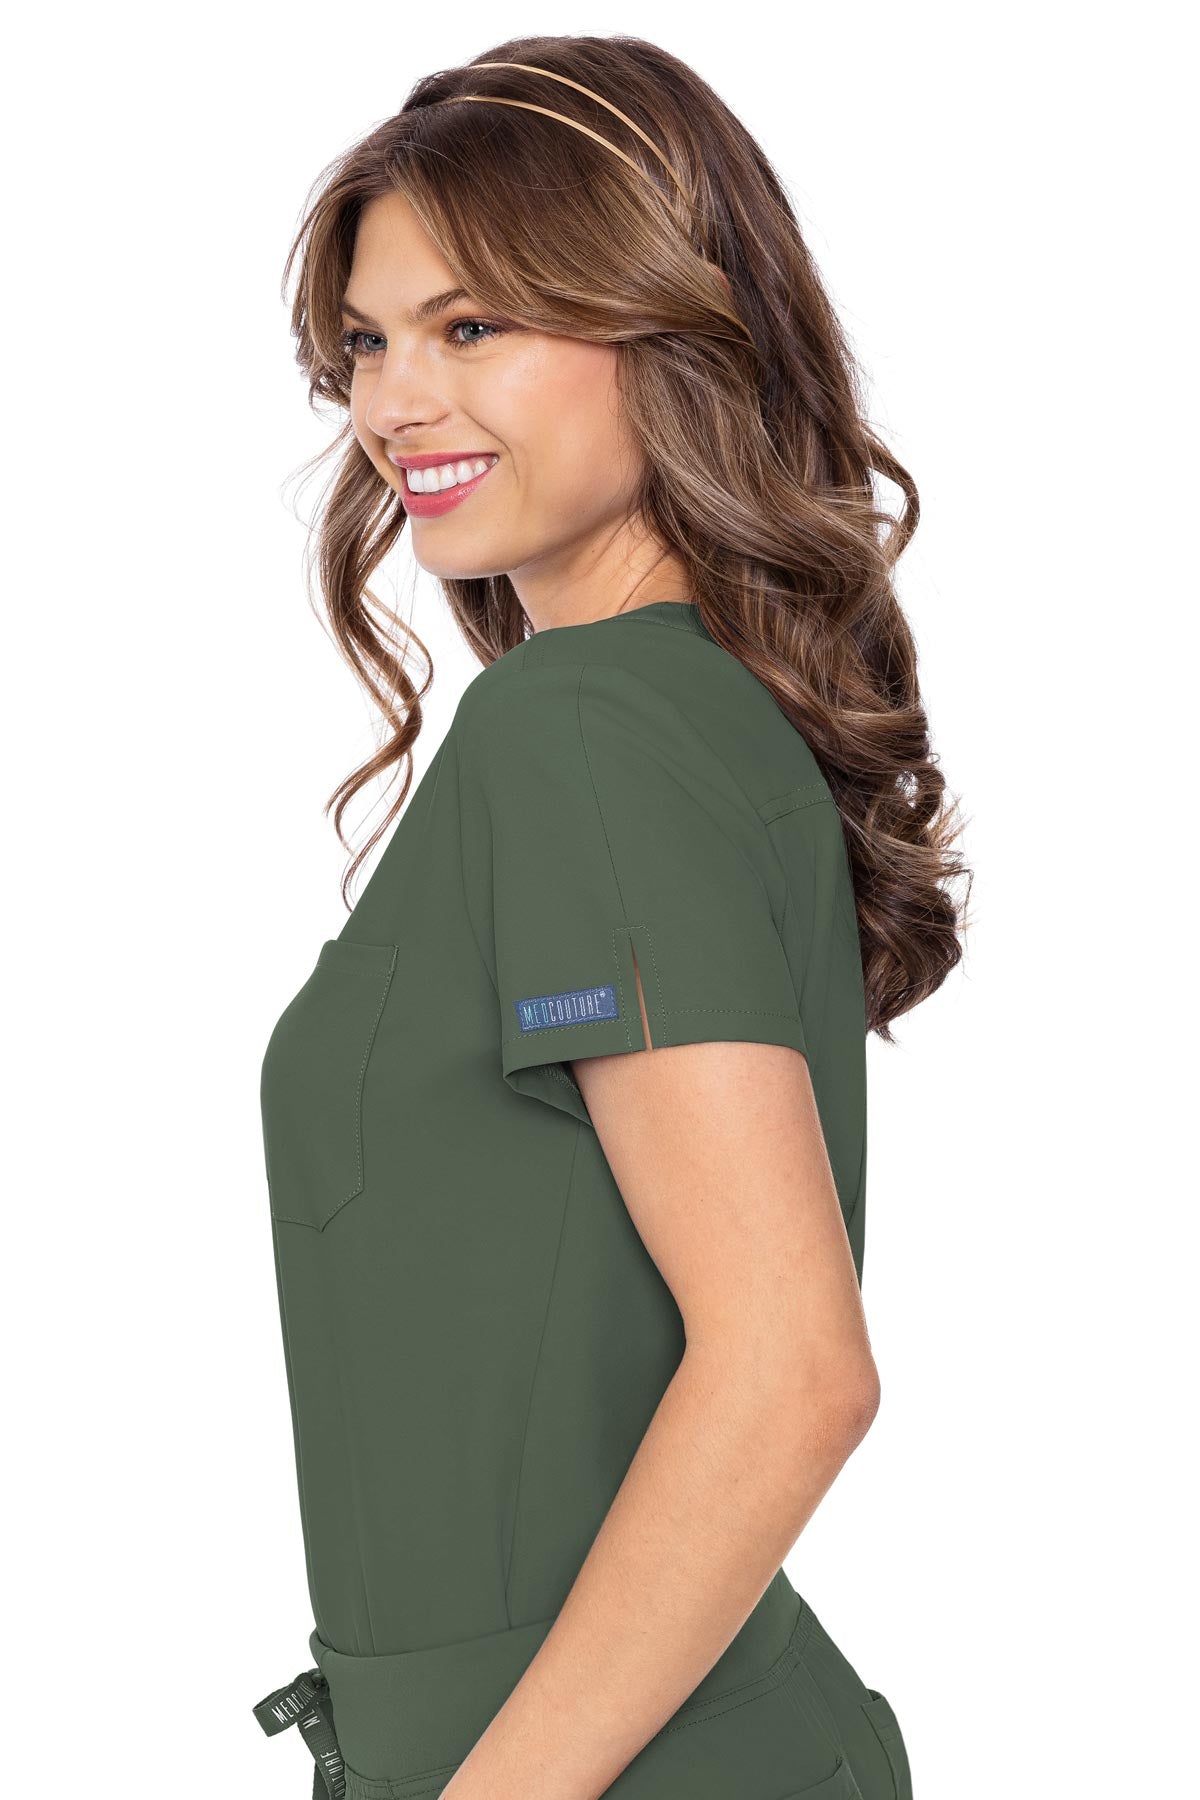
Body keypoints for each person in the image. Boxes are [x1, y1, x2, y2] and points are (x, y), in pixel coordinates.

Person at [252, 33, 968, 1800]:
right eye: (368, 341)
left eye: (473, 324)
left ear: (667, 324)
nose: (396, 402)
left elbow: (792, 1368)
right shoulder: (668, 709)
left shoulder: (581, 728)